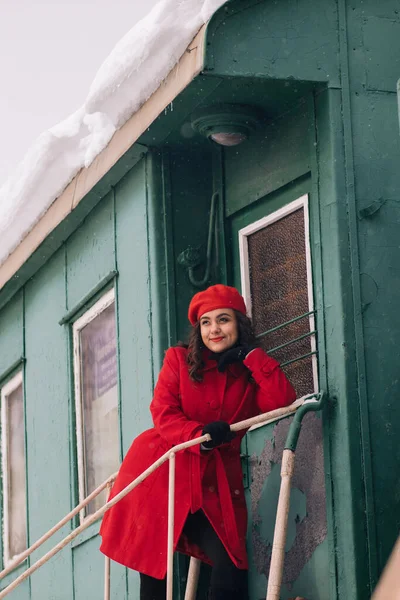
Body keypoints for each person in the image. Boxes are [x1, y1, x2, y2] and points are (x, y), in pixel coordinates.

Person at [100, 284, 296, 600]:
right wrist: (200, 438)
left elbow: (281, 401)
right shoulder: (178, 360)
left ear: (239, 324)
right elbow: (163, 413)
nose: (214, 329)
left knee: (231, 569)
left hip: (213, 485)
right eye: (206, 322)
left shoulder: (247, 372)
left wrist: (253, 357)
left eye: (223, 320)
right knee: (154, 575)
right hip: (164, 472)